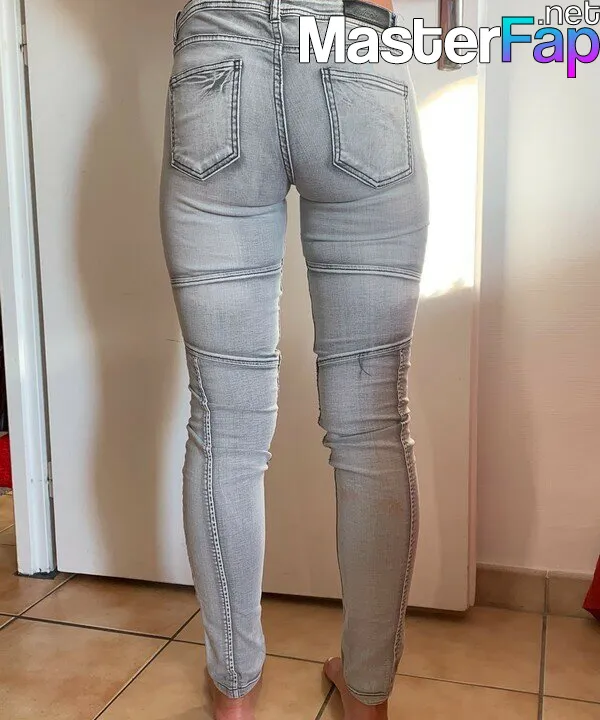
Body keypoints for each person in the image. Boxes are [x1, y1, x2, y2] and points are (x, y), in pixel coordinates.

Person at [159, 0, 429, 717]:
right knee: (372, 427)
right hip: (353, 46)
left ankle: (235, 693)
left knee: (225, 427)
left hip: (220, 56)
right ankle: (365, 695)